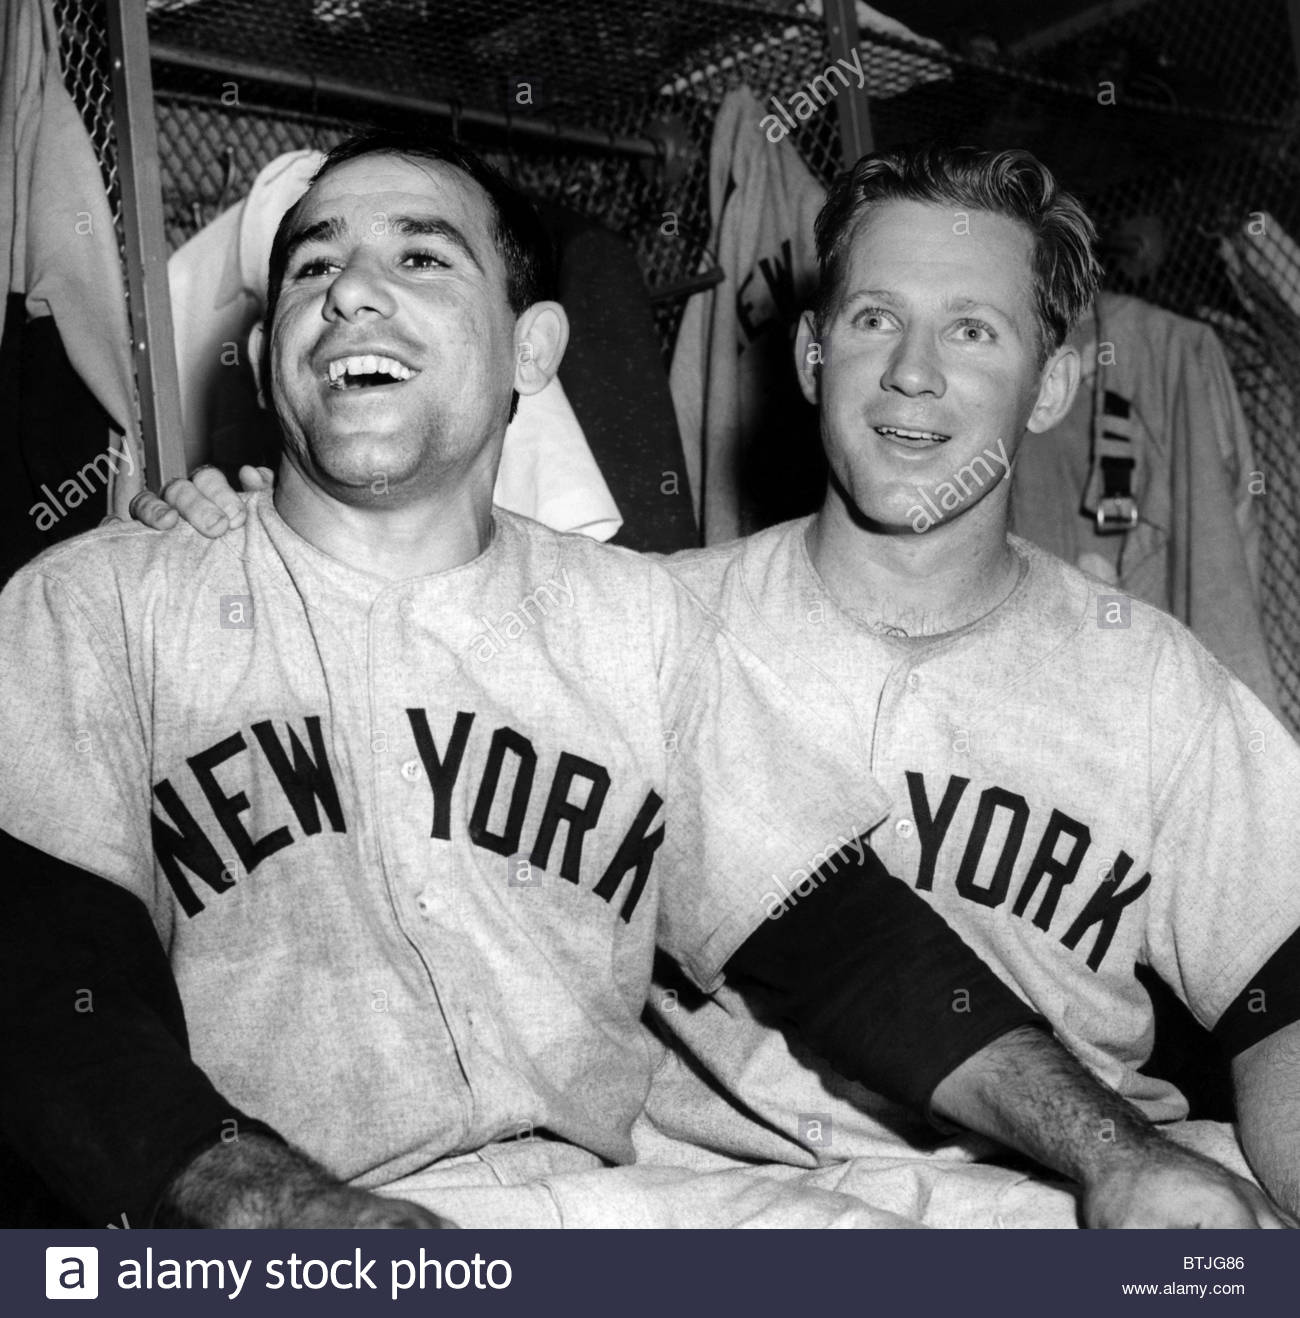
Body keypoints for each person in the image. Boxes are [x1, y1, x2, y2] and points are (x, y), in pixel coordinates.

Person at [89, 130, 1290, 1230]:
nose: (912, 373)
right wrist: (231, 541)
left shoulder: (1157, 688)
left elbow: (1282, 1007)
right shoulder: (636, 622)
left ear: (1053, 385)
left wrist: (1151, 1170)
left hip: (1062, 1193)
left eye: (973, 330)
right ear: (813, 355)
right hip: (716, 1197)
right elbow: (374, 606)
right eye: (873, 320)